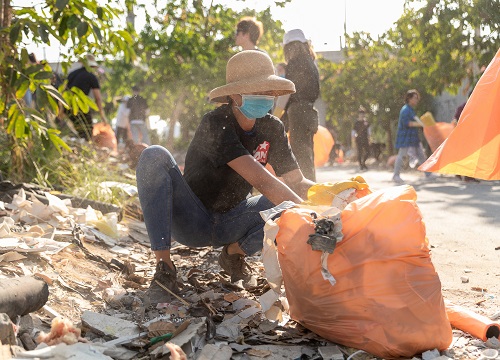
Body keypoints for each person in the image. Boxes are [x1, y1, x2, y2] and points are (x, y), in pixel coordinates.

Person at [136, 50, 315, 304]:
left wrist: (333, 197)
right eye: (257, 91)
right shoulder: (216, 123)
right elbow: (262, 180)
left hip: (233, 219)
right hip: (193, 220)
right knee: (154, 155)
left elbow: (296, 181)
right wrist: (309, 214)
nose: (265, 97)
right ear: (234, 95)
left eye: (268, 91)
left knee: (283, 204)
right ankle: (165, 268)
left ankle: (233, 254)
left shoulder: (273, 127)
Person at [282, 29, 320, 181]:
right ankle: (313, 189)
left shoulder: (294, 63)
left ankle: (306, 194)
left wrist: (278, 112)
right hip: (310, 111)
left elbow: (288, 90)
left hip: (298, 112)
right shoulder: (311, 63)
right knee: (307, 153)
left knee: (299, 155)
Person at [392, 89, 435, 183]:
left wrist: (422, 124)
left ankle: (428, 173)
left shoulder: (410, 109)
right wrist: (422, 124)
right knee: (401, 154)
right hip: (405, 136)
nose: (416, 100)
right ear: (409, 98)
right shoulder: (405, 110)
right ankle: (396, 175)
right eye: (415, 98)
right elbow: (408, 123)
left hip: (412, 136)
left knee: (420, 154)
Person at [61, 54, 108, 140]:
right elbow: (97, 98)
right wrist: (102, 115)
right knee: (87, 131)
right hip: (80, 105)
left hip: (67, 106)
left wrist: (60, 110)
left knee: (78, 130)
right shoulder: (91, 77)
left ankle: (77, 143)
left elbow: (62, 92)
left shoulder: (72, 74)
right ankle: (82, 145)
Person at [452, 92, 479, 182]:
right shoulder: (462, 107)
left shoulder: (476, 107)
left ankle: (462, 173)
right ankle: (466, 175)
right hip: (464, 135)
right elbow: (455, 120)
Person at [353, 106, 370, 170]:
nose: (362, 115)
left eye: (363, 113)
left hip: (365, 139)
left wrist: (370, 138)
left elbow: (369, 131)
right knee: (359, 152)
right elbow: (353, 131)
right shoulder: (356, 123)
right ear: (358, 114)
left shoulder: (366, 122)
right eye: (361, 113)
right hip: (359, 139)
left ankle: (363, 163)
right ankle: (361, 165)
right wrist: (354, 137)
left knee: (368, 152)